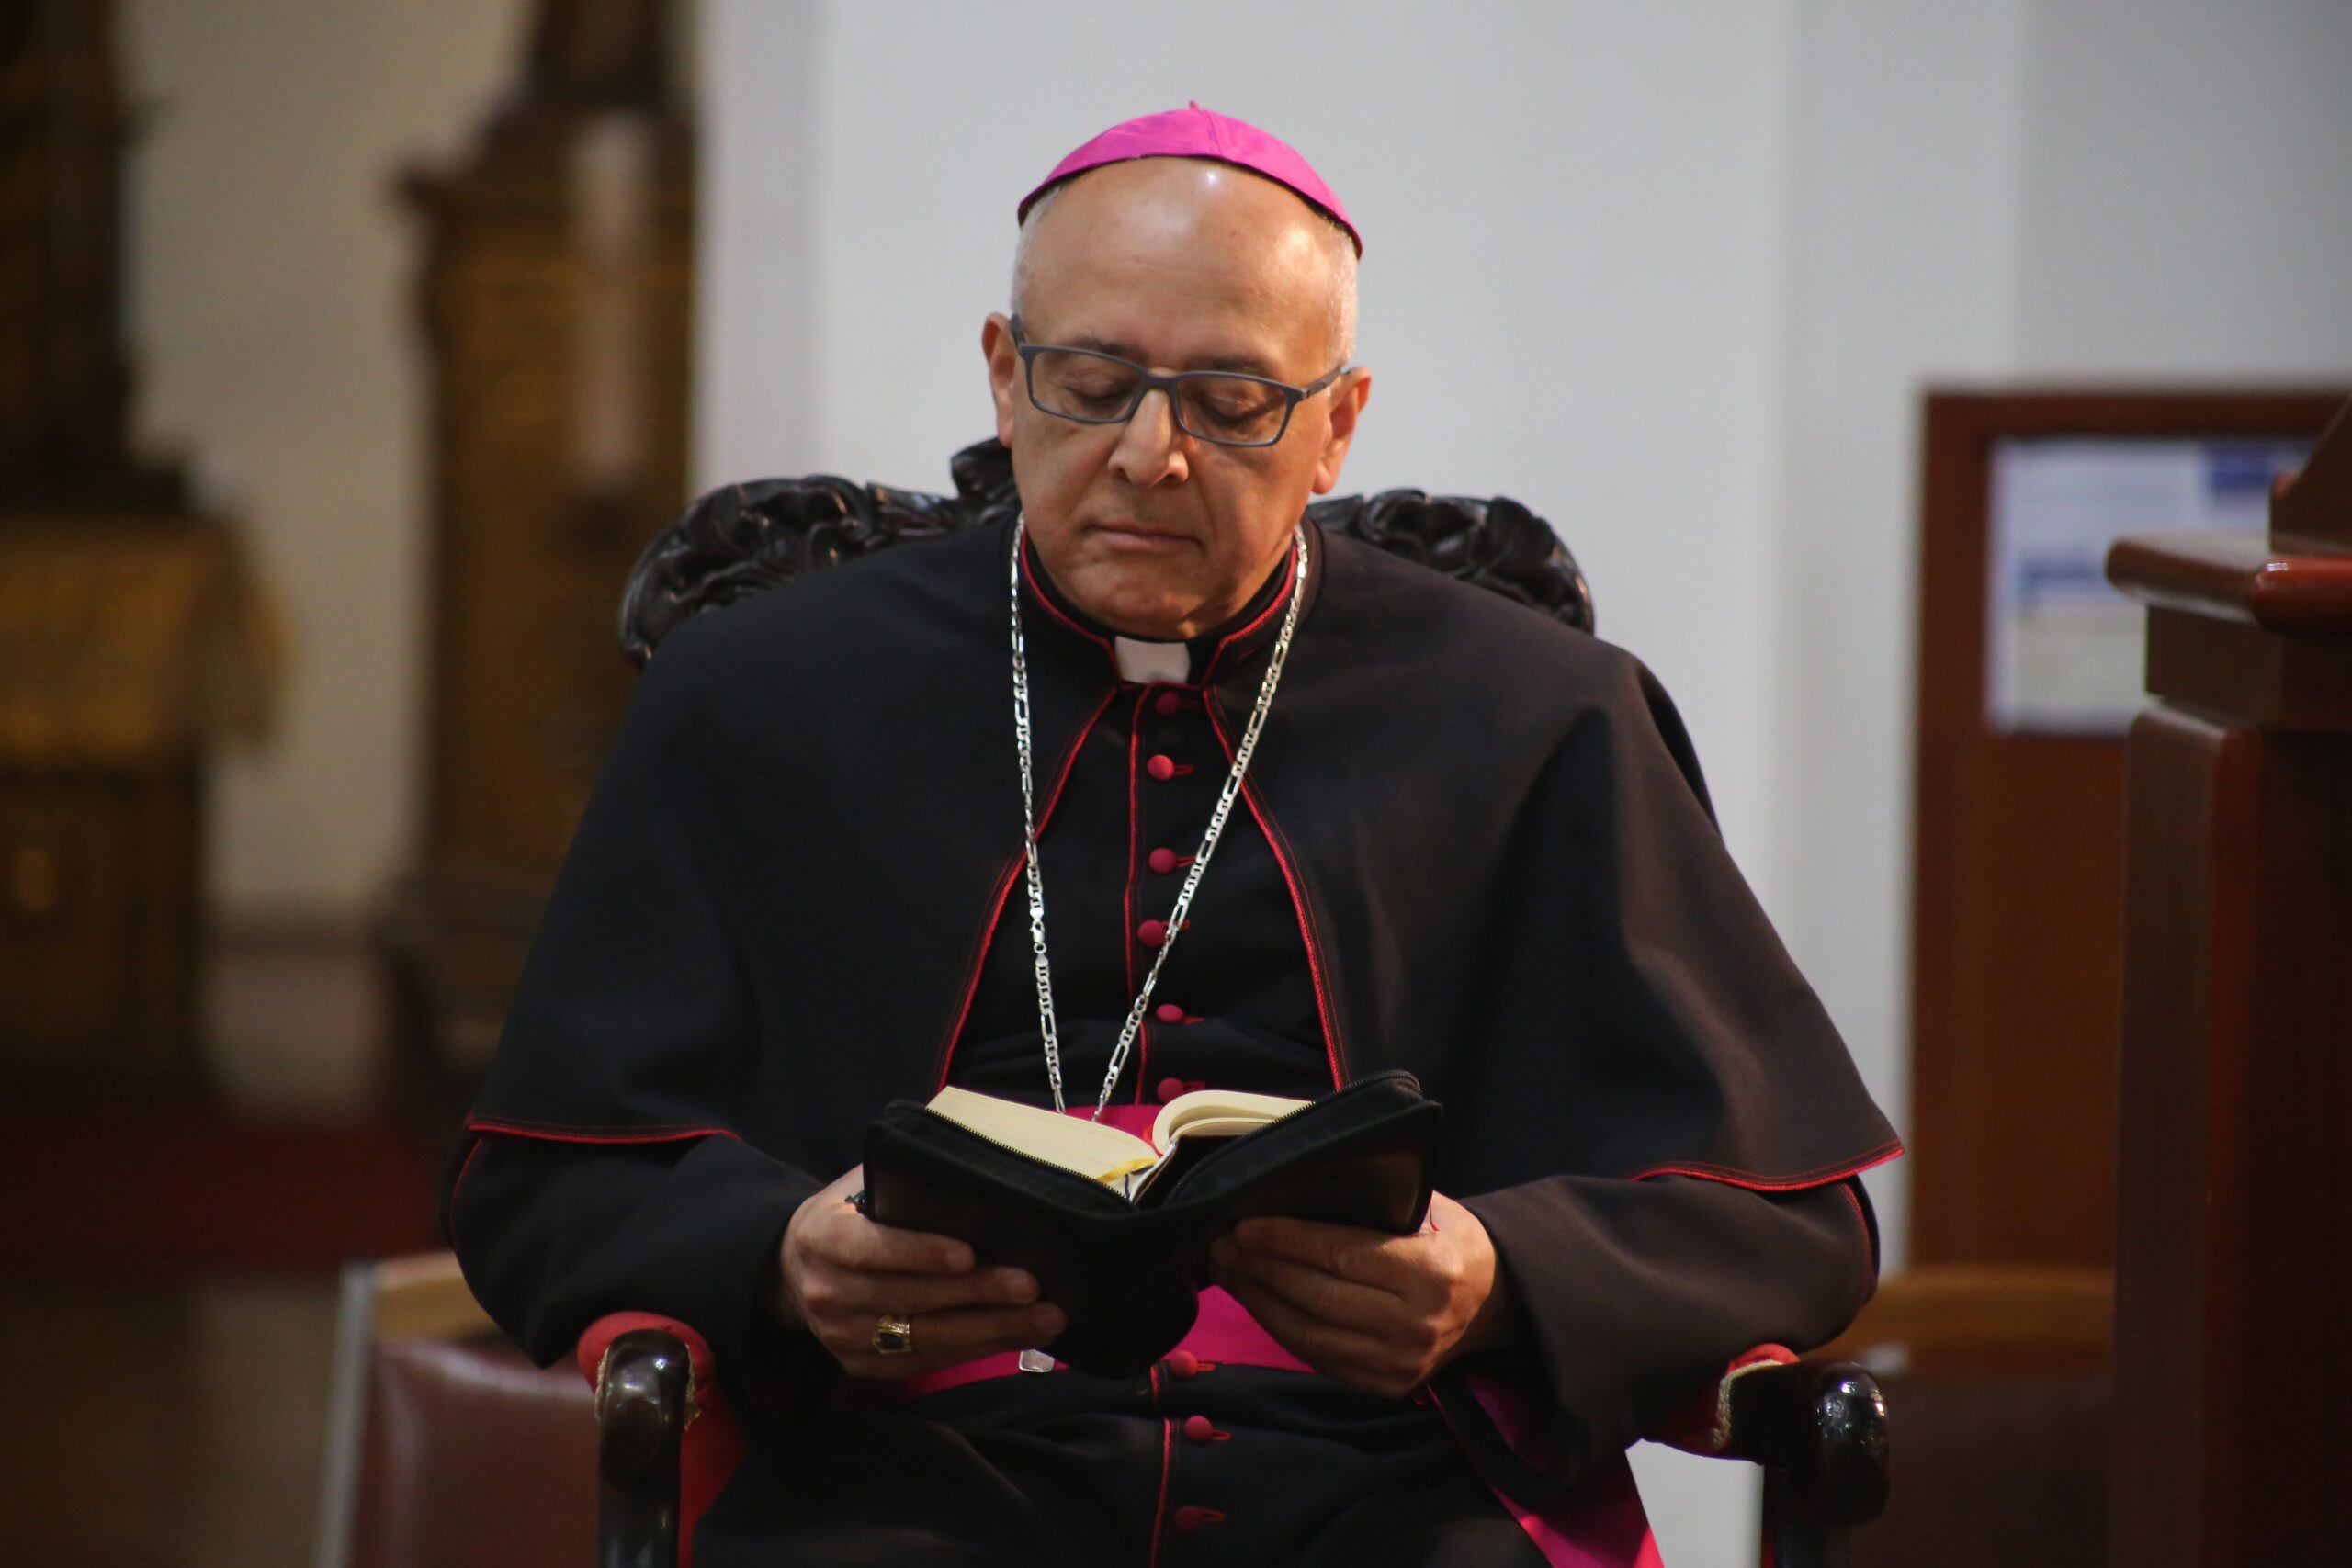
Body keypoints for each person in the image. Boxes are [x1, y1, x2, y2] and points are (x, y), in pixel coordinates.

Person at [446, 104, 1900, 1566]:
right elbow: (544, 1188)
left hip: (1404, 1464)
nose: (1153, 455)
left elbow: (1791, 1222)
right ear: (1006, 381)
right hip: (899, 1460)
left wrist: (1499, 1274)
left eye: (1232, 402)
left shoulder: (1538, 716)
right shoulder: (760, 696)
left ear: (1336, 424)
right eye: (1093, 382)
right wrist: (776, 1254)